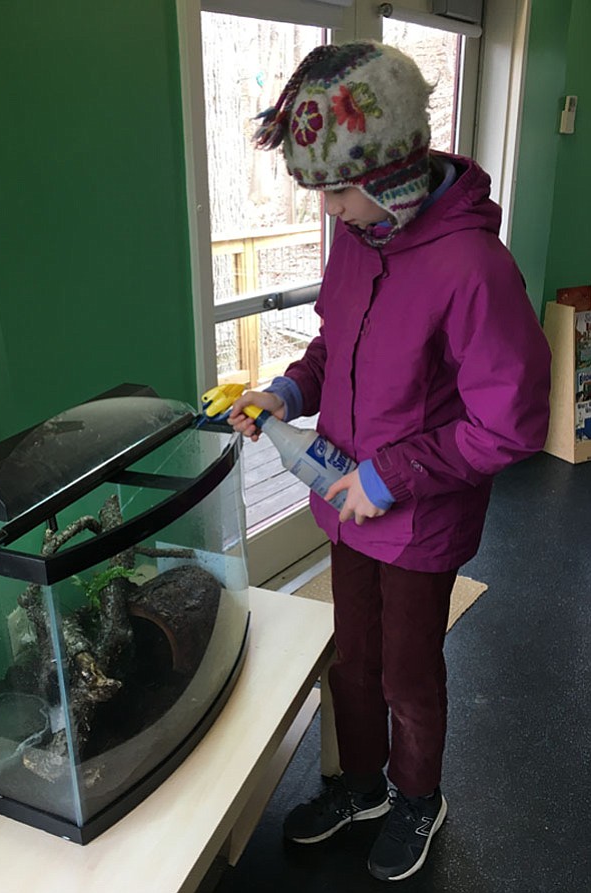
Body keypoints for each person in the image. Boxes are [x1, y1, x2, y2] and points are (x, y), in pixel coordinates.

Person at [228, 41, 551, 882]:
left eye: (337, 188)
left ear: (396, 173)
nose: (329, 209)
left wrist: (390, 476)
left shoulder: (474, 269)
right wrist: (286, 393)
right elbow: (335, 347)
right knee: (353, 659)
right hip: (345, 501)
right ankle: (361, 784)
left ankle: (417, 796)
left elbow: (510, 425)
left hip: (418, 521)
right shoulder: (360, 239)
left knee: (408, 670)